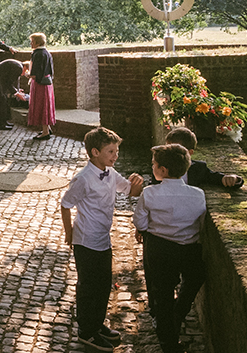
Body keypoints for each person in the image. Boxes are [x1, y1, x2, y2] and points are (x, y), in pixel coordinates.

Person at [60, 127, 145, 351]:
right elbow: (65, 204)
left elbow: (130, 191)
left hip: (102, 239)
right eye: (111, 151)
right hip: (86, 240)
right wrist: (69, 233)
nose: (115, 155)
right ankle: (86, 332)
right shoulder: (83, 179)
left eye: (116, 150)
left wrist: (137, 183)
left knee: (103, 285)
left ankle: (96, 325)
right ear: (95, 152)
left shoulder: (110, 173)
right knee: (88, 287)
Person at [133, 143, 207, 353]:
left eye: (154, 164)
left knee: (163, 294)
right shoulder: (198, 194)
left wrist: (150, 228)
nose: (152, 167)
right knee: (194, 277)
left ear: (163, 170)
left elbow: (139, 221)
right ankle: (180, 310)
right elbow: (199, 222)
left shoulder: (149, 193)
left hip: (160, 247)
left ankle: (169, 343)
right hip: (189, 248)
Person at [162, 128, 245, 188]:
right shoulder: (161, 167)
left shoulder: (198, 168)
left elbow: (215, 178)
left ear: (189, 153)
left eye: (175, 151)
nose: (169, 154)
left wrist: (233, 178)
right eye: (167, 149)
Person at [27, 33, 55, 141]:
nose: (31, 43)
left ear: (38, 42)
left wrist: (26, 74)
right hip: (47, 83)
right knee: (47, 105)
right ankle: (47, 128)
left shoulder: (37, 54)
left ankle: (45, 132)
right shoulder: (46, 52)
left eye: (32, 41)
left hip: (40, 84)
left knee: (41, 106)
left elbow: (35, 74)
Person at [0, 58, 24, 131]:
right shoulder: (18, 68)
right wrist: (17, 94)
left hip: (0, 81)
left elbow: (12, 80)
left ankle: (4, 122)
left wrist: (17, 90)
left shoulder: (17, 64)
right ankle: (0, 124)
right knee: (1, 103)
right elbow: (9, 83)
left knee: (3, 102)